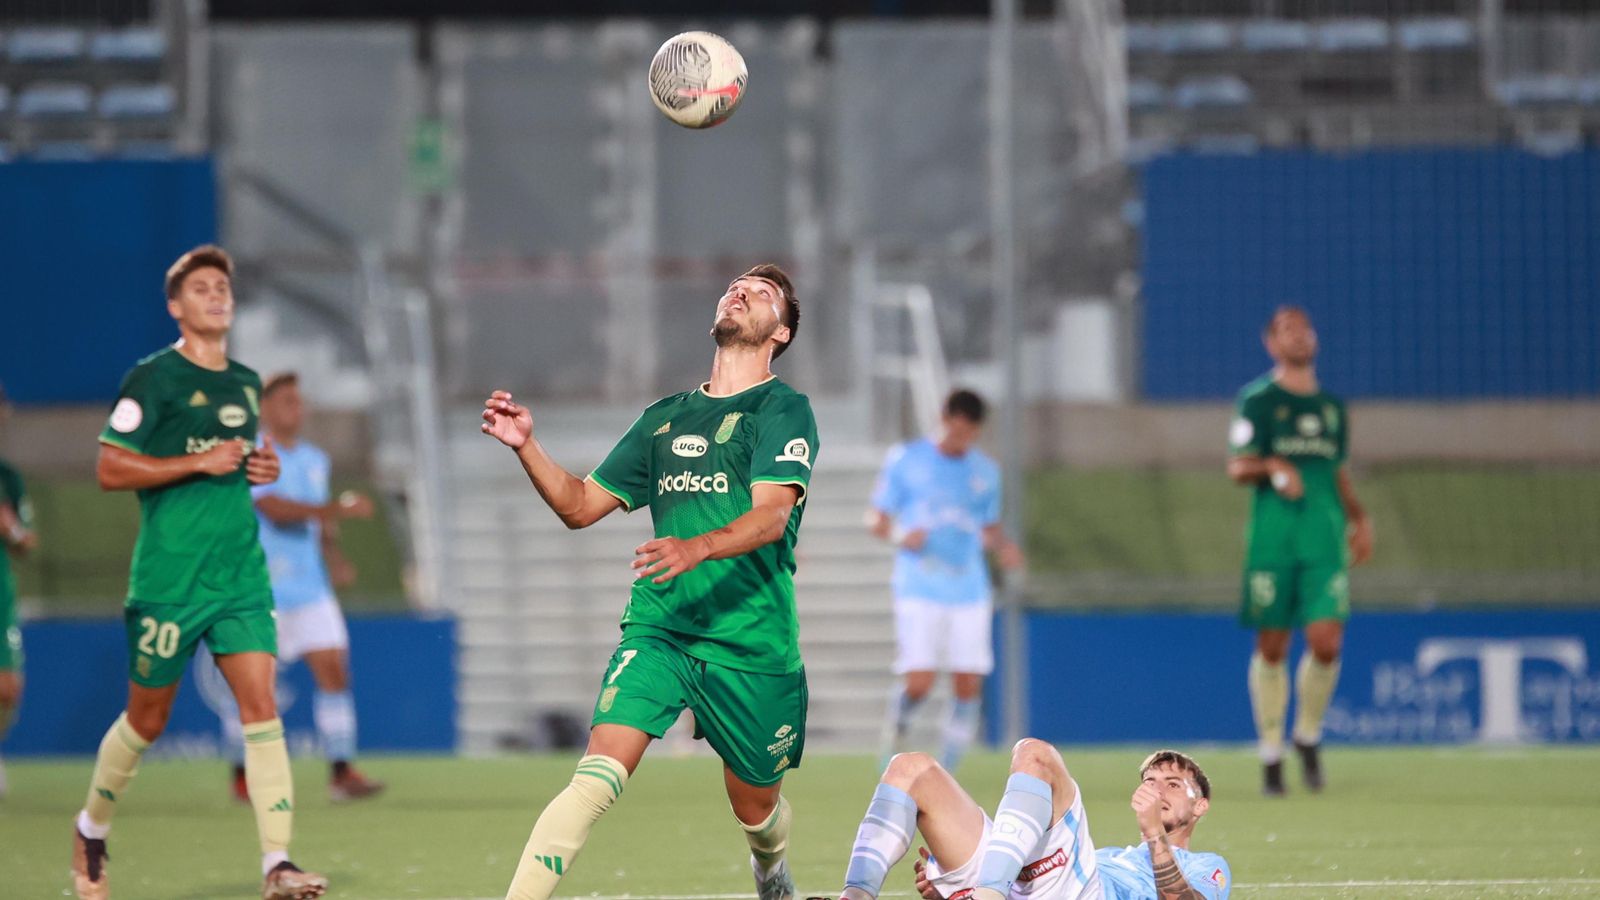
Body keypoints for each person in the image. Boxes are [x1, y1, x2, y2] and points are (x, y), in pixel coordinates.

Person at [481, 264, 817, 900]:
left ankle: (770, 870)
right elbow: (580, 505)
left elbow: (773, 516)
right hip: (660, 629)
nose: (740, 291)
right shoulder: (664, 418)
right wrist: (528, 446)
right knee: (596, 774)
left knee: (757, 811)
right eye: (735, 285)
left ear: (782, 335)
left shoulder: (783, 408)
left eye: (763, 293)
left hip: (751, 644)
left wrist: (698, 546)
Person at [71, 245, 327, 900]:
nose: (217, 296)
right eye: (202, 289)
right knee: (146, 721)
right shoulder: (151, 379)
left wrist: (255, 471)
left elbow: (235, 464)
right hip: (170, 578)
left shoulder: (245, 381)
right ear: (175, 307)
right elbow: (109, 467)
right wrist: (197, 463)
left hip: (239, 573)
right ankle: (91, 826)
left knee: (261, 705)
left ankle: (278, 863)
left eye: (224, 287)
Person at [208, 371, 385, 804]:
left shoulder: (315, 459)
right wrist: (337, 509)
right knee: (252, 689)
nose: (297, 409)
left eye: (299, 401)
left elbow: (317, 521)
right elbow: (274, 509)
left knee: (334, 672)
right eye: (287, 401)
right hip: (260, 590)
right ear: (264, 408)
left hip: (310, 590)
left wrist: (336, 557)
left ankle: (341, 772)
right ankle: (240, 775)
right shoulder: (256, 455)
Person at [1227, 305, 1373, 796]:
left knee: (1327, 641)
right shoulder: (1258, 401)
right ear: (1271, 343)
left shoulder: (1332, 407)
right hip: (1273, 540)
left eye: (1305, 327)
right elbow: (1237, 467)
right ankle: (1272, 752)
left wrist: (1359, 517)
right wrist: (1271, 466)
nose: (1300, 335)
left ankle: (1307, 735)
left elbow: (1337, 469)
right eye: (1288, 330)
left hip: (1323, 539)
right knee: (1272, 645)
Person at [825, 741, 1230, 900]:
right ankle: (855, 896)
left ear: (1201, 807)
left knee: (1035, 754)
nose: (1158, 790)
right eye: (1151, 782)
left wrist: (1154, 835)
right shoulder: (1108, 855)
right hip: (1024, 883)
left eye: (1174, 785)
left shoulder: (1208, 867)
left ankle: (987, 892)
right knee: (910, 768)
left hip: (1082, 893)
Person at [868, 389, 1023, 772]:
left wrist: (1003, 546)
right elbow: (878, 520)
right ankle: (898, 726)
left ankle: (948, 768)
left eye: (967, 433)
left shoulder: (985, 472)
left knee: (967, 682)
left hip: (968, 586)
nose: (960, 439)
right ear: (944, 419)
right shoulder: (907, 460)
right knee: (919, 681)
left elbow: (987, 525)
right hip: (920, 584)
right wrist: (901, 536)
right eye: (955, 430)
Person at [0, 384, 38, 798]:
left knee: (8, 687)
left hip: (1, 591)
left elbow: (28, 543)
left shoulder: (7, 477)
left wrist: (11, 529)